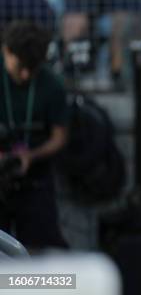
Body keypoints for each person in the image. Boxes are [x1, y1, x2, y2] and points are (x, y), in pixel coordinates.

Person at [0, 20, 68, 250]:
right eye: (20, 66)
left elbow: (59, 136)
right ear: (6, 51)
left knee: (42, 251)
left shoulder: (52, 85)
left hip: (35, 179)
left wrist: (32, 155)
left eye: (33, 67)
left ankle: (36, 285)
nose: (26, 74)